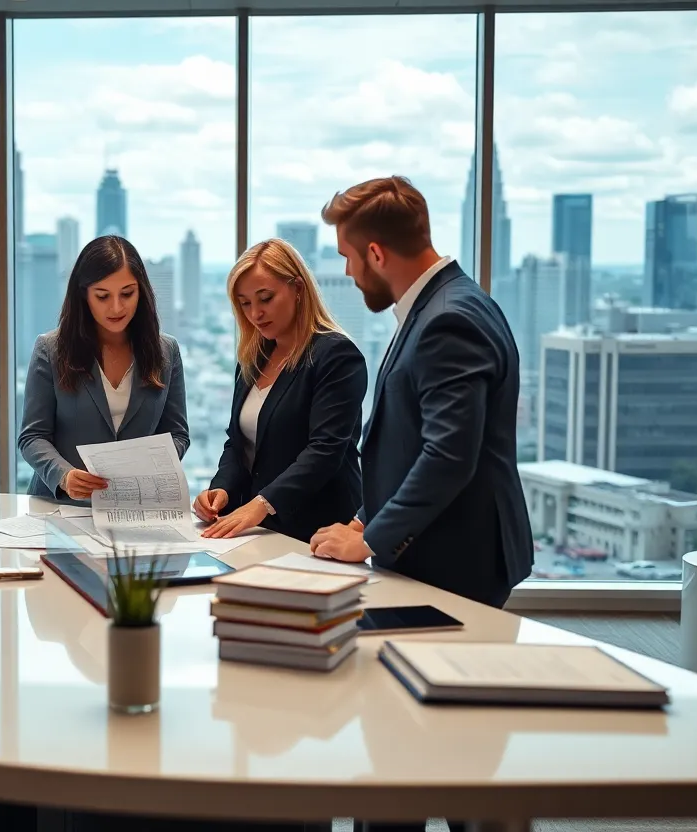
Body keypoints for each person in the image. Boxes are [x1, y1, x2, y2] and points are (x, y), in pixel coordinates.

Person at [307, 176, 534, 832]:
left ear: (377, 253)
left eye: (349, 257)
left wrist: (371, 540)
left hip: (454, 560)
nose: (347, 271)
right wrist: (364, 516)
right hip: (443, 549)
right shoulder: (451, 302)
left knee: (424, 754)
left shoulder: (449, 319)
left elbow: (449, 456)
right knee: (439, 750)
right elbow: (420, 440)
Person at [194, 239, 366, 542]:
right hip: (258, 530)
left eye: (266, 298)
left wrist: (261, 504)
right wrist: (220, 489)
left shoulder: (336, 355)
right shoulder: (253, 357)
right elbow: (238, 443)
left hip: (318, 531)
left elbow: (325, 451)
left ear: (298, 288)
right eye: (245, 303)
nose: (255, 313)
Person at [19, 235, 189, 502]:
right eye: (102, 296)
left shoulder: (167, 351)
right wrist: (63, 475)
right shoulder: (50, 349)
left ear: (141, 292)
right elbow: (32, 436)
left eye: (127, 293)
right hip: (61, 505)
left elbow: (178, 434)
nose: (116, 307)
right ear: (84, 295)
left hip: (136, 507)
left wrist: (145, 463)